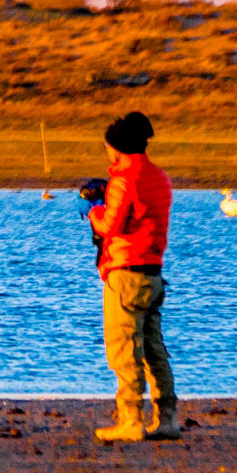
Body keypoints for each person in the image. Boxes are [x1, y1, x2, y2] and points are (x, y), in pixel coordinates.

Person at [83, 110, 179, 441]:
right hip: (153, 274)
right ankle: (167, 418)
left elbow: (112, 226)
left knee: (125, 349)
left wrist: (94, 211)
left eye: (108, 146)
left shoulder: (125, 181)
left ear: (117, 147)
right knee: (154, 349)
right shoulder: (161, 179)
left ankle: (130, 420)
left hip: (125, 273)